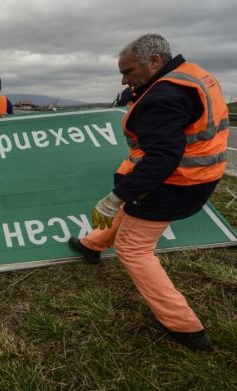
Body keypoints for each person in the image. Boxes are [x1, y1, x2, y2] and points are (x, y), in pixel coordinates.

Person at [68, 34, 228, 351]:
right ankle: (91, 245)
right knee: (132, 211)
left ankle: (184, 326)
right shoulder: (193, 75)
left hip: (176, 183)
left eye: (129, 71)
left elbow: (162, 160)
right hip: (201, 175)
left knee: (133, 248)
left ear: (154, 61)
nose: (126, 79)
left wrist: (114, 198)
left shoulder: (164, 96)